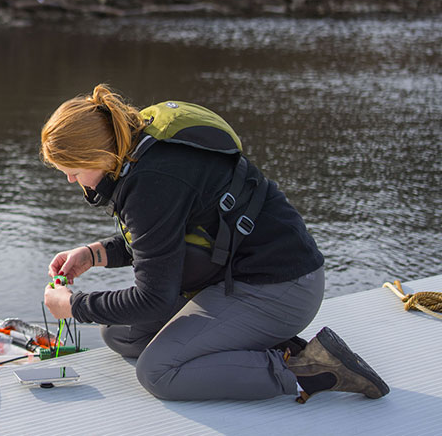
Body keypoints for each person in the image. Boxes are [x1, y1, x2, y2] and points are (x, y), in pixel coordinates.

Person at [39, 84, 388, 403]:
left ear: (97, 154)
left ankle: (311, 370)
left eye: (72, 168)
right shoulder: (138, 147)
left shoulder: (151, 182)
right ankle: (261, 342)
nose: (70, 179)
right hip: (237, 276)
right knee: (122, 334)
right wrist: (93, 254)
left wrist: (73, 305)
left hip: (281, 286)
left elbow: (153, 298)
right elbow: (165, 236)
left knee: (158, 372)